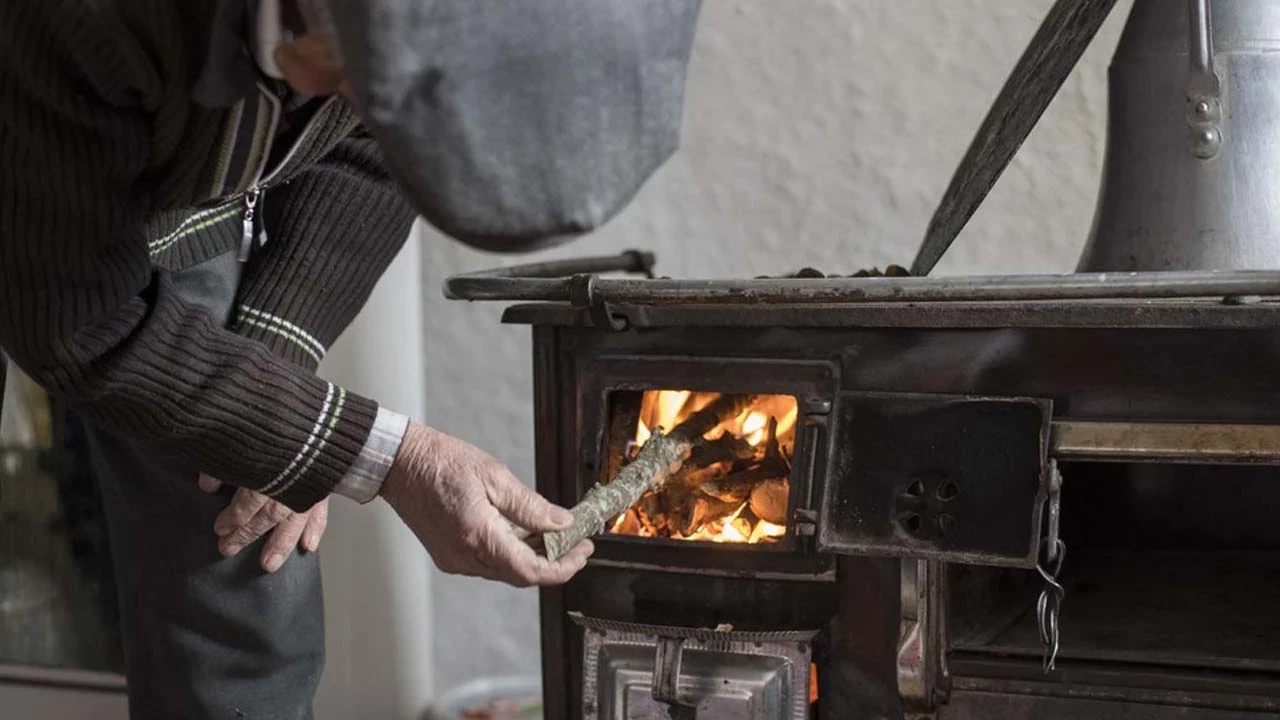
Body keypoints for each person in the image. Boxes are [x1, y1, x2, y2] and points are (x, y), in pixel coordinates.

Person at [0, 0, 699, 717]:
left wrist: (270, 394)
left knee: (241, 527)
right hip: (38, 128)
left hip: (169, 183)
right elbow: (73, 321)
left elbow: (372, 151)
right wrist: (384, 457)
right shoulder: (91, 19)